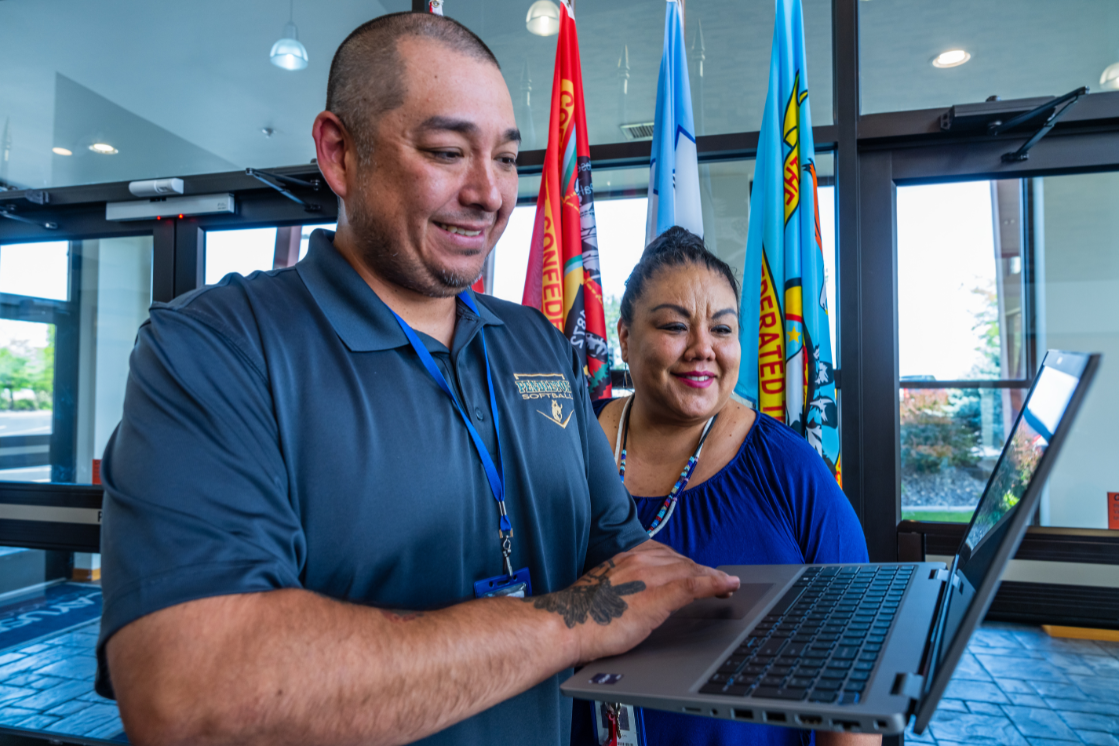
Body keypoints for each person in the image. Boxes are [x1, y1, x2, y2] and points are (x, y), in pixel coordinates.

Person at [95, 15, 740, 746]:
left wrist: (756, 622)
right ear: (340, 153)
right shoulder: (217, 347)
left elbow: (619, 560)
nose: (489, 193)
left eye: (506, 158)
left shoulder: (536, 342)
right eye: (446, 152)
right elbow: (192, 690)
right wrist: (573, 619)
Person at [572, 227, 876, 746]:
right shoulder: (565, 443)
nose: (702, 349)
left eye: (722, 329)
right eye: (675, 325)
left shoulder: (789, 469)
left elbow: (853, 671)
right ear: (623, 336)